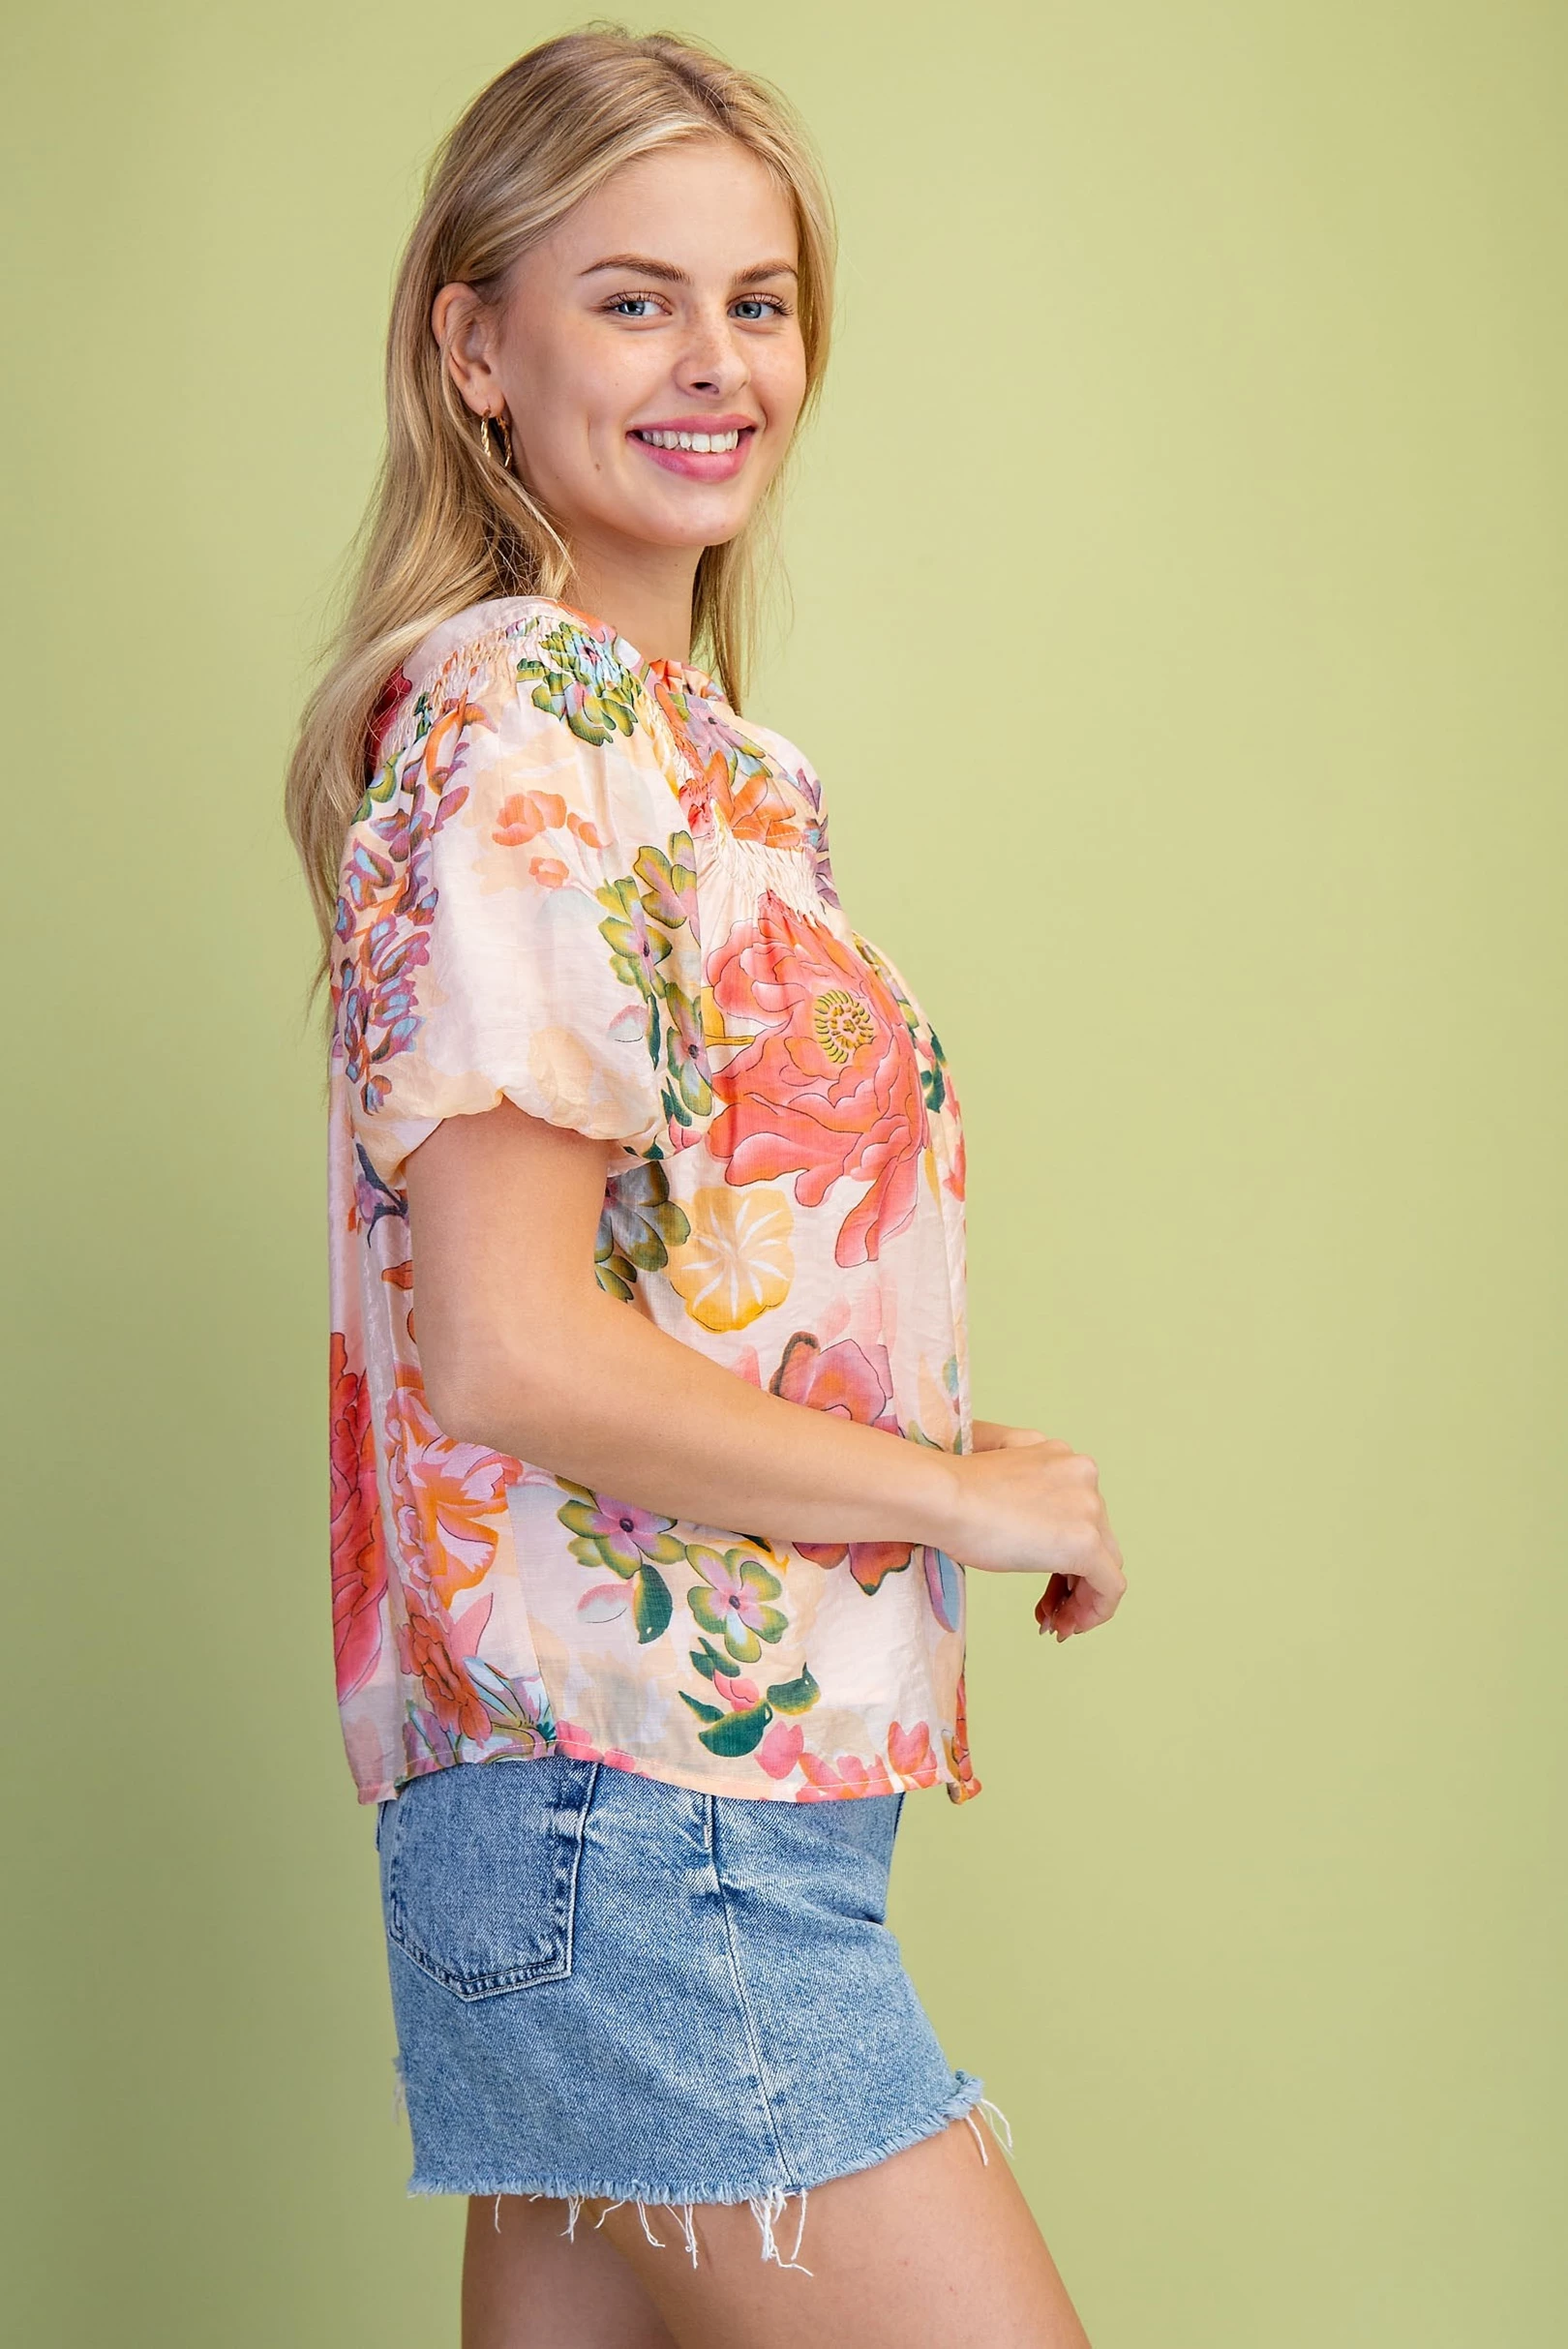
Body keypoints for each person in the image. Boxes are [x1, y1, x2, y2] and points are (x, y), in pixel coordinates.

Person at [286, 26, 1125, 2348]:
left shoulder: (697, 763)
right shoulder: (525, 727)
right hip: (647, 1817)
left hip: (617, 1808)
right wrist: (956, 1495)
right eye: (632, 297)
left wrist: (918, 1450)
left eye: (756, 303)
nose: (715, 363)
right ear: (476, 346)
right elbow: (511, 1344)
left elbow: (667, 1294)